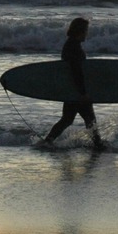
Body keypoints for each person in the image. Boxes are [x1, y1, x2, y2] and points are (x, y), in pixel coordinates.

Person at [42, 17, 104, 148]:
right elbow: (76, 71)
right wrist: (82, 92)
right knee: (88, 119)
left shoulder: (71, 44)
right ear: (80, 31)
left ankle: (48, 141)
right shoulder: (73, 47)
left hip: (71, 89)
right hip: (76, 90)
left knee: (69, 119)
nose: (87, 33)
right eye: (86, 30)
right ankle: (98, 145)